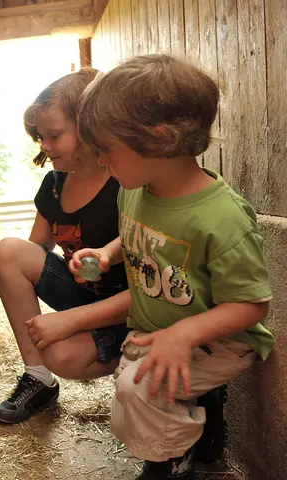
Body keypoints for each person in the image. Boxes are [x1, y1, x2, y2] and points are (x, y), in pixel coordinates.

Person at [70, 53, 275, 480]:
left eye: (107, 150)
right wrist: (107, 254)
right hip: (161, 327)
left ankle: (169, 463)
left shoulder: (221, 218)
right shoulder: (137, 189)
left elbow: (252, 306)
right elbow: (136, 234)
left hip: (219, 337)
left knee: (141, 387)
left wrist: (183, 335)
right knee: (135, 382)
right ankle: (204, 420)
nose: (102, 162)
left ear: (160, 140)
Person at [0, 68, 131, 424]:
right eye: (41, 136)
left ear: (89, 127)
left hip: (130, 308)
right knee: (9, 248)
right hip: (84, 292)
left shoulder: (125, 180)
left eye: (54, 135)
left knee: (63, 354)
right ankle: (38, 378)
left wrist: (75, 312)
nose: (44, 146)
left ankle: (135, 357)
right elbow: (24, 256)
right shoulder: (53, 186)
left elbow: (143, 250)